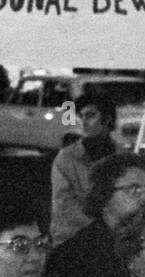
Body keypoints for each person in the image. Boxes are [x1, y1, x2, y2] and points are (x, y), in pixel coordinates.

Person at [50, 92, 119, 245]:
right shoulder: (66, 157)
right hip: (73, 239)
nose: (83, 122)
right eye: (81, 116)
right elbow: (64, 205)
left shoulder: (121, 155)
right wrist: (105, 225)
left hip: (114, 238)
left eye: (90, 115)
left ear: (107, 119)